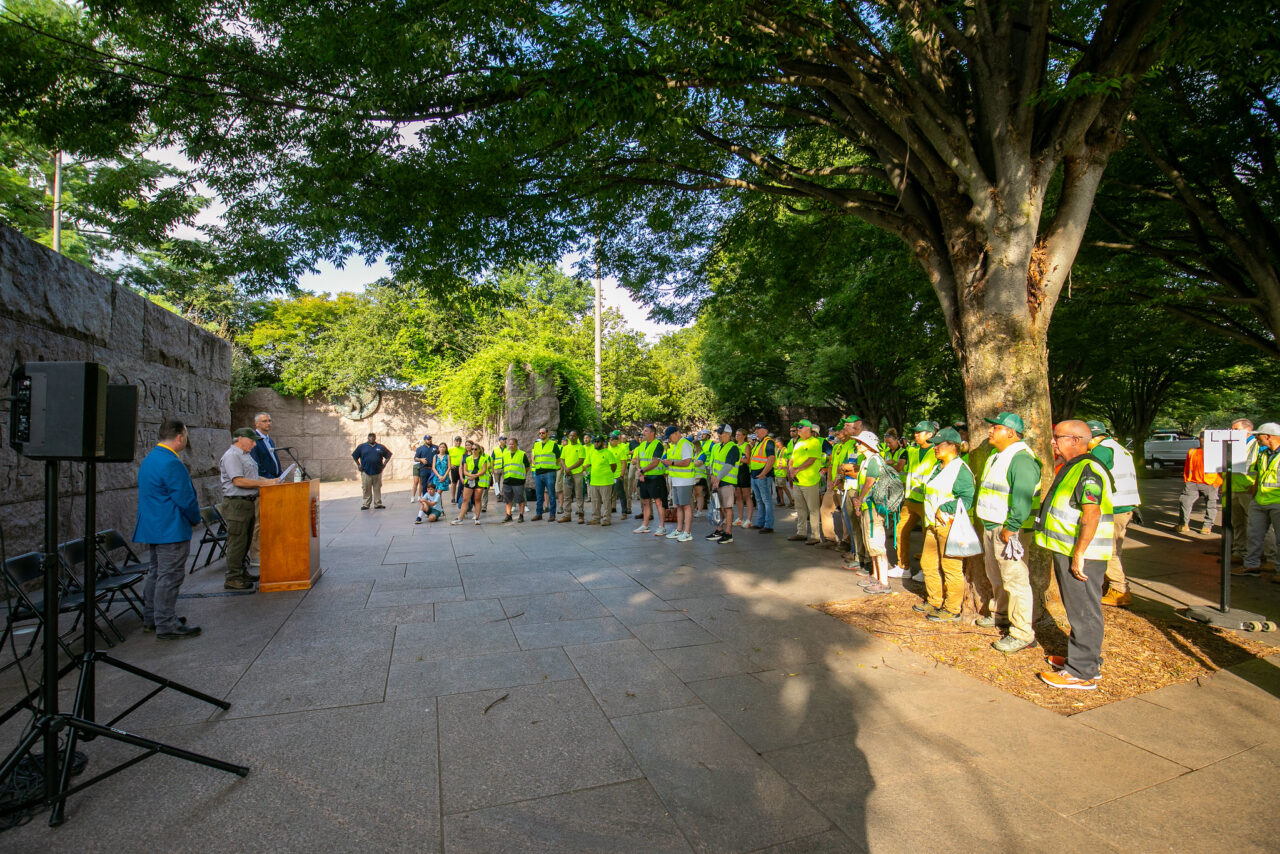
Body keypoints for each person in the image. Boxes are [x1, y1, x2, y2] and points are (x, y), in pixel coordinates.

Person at [1035, 420, 1116, 690]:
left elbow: (1091, 513)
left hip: (1082, 554)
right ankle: (1084, 659)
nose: (1052, 442)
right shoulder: (1074, 467)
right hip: (1070, 550)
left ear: (1074, 440)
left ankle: (1083, 672)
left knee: (1083, 611)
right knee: (1077, 610)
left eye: (1056, 437)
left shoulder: (1088, 470)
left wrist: (1080, 552)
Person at [975, 412, 1042, 653]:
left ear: (1011, 433)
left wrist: (1012, 527)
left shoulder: (1021, 459)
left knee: (1015, 580)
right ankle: (1000, 614)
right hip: (993, 525)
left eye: (996, 428)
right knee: (996, 575)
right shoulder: (997, 455)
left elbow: (1023, 497)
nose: (990, 431)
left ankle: (1022, 632)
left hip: (1008, 530)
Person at [133, 419, 202, 639]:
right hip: (170, 528)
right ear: (180, 436)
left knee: (156, 574)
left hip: (153, 527)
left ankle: (153, 617)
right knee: (169, 577)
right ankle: (166, 623)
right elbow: (185, 498)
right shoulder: (172, 463)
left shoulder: (150, 458)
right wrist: (195, 518)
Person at [913, 427, 974, 623]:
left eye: (939, 445)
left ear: (953, 446)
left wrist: (946, 507)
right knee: (928, 564)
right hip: (933, 524)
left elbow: (967, 499)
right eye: (934, 444)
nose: (935, 448)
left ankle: (952, 608)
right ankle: (934, 600)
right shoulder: (937, 467)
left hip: (949, 525)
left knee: (951, 568)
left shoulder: (960, 470)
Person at [1081, 421, 1141, 607]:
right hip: (1125, 506)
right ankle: (1112, 585)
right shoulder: (1118, 448)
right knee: (1115, 548)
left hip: (1115, 507)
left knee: (1109, 550)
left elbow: (1092, 472)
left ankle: (1119, 589)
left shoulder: (1102, 450)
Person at [219, 427, 280, 591]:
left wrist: (270, 481)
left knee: (245, 540)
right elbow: (238, 481)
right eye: (251, 440)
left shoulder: (244, 456)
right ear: (239, 439)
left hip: (247, 501)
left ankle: (241, 571)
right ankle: (232, 577)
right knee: (237, 541)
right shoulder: (232, 456)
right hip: (236, 503)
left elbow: (251, 478)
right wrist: (264, 483)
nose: (254, 444)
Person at [1226, 419, 1277, 572]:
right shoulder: (1232, 445)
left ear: (1247, 430)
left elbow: (1260, 468)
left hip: (1250, 491)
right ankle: (1240, 552)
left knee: (1260, 527)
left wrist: (1254, 487)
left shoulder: (1257, 446)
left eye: (1236, 429)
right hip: (1234, 488)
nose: (1232, 432)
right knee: (1238, 524)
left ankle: (1270, 557)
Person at [850, 431, 894, 594]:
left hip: (873, 507)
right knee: (871, 543)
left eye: (860, 443)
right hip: (867, 507)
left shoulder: (874, 460)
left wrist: (859, 499)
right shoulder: (868, 460)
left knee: (876, 543)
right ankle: (876, 576)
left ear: (868, 444)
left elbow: (869, 482)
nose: (857, 445)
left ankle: (883, 582)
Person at [897, 421, 939, 577]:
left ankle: (926, 571)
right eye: (914, 432)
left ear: (930, 435)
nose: (915, 435)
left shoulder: (936, 452)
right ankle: (903, 567)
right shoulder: (912, 451)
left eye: (919, 432)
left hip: (927, 502)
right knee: (901, 531)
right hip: (911, 500)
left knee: (927, 538)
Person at [1242, 422, 1280, 578]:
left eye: (1258, 436)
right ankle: (1251, 566)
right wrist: (1254, 491)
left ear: (1268, 436)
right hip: (1259, 500)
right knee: (1254, 535)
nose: (1257, 439)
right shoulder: (1263, 454)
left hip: (1277, 502)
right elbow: (1259, 474)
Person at [247, 411, 282, 573]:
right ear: (257, 424)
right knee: (259, 523)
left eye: (269, 420)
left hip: (274, 483)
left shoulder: (270, 440)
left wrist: (279, 476)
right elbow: (255, 465)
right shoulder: (255, 441)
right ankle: (255, 555)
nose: (269, 423)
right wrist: (268, 480)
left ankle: (269, 550)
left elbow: (274, 461)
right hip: (262, 486)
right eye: (265, 421)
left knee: (271, 521)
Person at [786, 420, 825, 545]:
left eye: (800, 427)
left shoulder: (814, 442)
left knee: (813, 509)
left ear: (808, 429)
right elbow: (792, 459)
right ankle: (801, 532)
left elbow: (811, 459)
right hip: (798, 481)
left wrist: (796, 470)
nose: (798, 429)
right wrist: (791, 469)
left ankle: (815, 535)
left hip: (810, 481)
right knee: (800, 508)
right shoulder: (799, 443)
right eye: (797, 428)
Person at [1178, 434, 1221, 535]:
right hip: (1192, 483)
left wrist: (1217, 482)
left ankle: (1207, 526)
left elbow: (1221, 469)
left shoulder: (1216, 453)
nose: (1204, 441)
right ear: (1199, 439)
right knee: (1184, 502)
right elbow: (1187, 467)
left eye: (1207, 439)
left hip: (1210, 483)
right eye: (1203, 438)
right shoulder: (1192, 451)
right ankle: (1183, 524)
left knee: (1211, 505)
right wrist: (1187, 480)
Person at [706, 425, 740, 544]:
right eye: (718, 433)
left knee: (727, 507)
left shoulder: (733, 448)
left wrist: (717, 479)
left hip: (727, 482)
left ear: (728, 434)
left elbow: (729, 465)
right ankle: (719, 530)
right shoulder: (715, 447)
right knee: (718, 506)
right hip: (717, 481)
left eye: (721, 433)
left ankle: (728, 533)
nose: (719, 435)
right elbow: (711, 462)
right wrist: (712, 475)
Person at [633, 425, 668, 536]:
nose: (643, 433)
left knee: (658, 502)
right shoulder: (642, 444)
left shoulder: (658, 445)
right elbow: (638, 459)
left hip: (655, 477)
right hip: (644, 477)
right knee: (645, 502)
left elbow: (655, 462)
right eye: (643, 430)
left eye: (646, 431)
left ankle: (662, 526)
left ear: (652, 433)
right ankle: (645, 525)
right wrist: (639, 472)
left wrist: (642, 471)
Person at [663, 425, 696, 542]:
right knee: (679, 506)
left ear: (676, 433)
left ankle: (687, 532)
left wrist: (670, 462)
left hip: (685, 480)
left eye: (670, 437)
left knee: (686, 505)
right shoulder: (676, 445)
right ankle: (679, 529)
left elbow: (686, 462)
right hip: (677, 480)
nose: (669, 440)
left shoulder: (685, 444)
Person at [748, 422, 777, 533]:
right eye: (755, 429)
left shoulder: (768, 442)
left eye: (758, 429)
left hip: (762, 476)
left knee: (766, 501)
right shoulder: (759, 443)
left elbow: (771, 459)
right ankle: (761, 523)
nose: (756, 431)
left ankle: (768, 525)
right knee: (760, 501)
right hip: (756, 475)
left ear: (765, 430)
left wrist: (763, 473)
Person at [585, 433, 619, 525]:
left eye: (598, 441)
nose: (596, 443)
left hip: (605, 481)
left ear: (603, 442)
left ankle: (606, 519)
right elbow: (588, 464)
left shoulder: (608, 453)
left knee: (606, 501)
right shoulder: (592, 452)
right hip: (594, 481)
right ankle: (595, 518)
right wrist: (583, 468)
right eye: (595, 442)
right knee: (595, 501)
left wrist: (607, 474)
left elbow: (614, 466)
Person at [352, 433, 392, 509]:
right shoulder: (362, 447)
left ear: (375, 438)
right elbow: (354, 456)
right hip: (366, 471)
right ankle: (366, 504)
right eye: (370, 437)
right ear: (368, 438)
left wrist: (385, 463)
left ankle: (378, 503)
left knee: (377, 488)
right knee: (366, 488)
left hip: (377, 471)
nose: (371, 439)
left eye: (373, 437)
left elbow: (388, 455)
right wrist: (359, 465)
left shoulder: (380, 447)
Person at [452, 442, 488, 525]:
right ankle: (460, 518)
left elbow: (484, 470)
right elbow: (464, 471)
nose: (473, 450)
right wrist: (470, 475)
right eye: (472, 449)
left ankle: (477, 518)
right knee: (465, 499)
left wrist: (475, 476)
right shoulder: (467, 459)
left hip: (479, 481)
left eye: (475, 449)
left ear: (479, 450)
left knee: (477, 500)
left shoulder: (483, 459)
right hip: (469, 480)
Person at [530, 427, 560, 522]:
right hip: (538, 472)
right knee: (539, 495)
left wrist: (551, 466)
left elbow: (558, 458)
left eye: (543, 433)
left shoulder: (553, 445)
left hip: (549, 472)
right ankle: (539, 514)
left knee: (551, 494)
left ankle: (552, 514)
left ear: (547, 433)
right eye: (540, 433)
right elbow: (534, 457)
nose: (541, 434)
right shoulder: (536, 445)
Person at [559, 431, 587, 523]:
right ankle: (567, 515)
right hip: (567, 474)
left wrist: (569, 468)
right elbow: (561, 459)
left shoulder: (580, 447)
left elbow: (581, 460)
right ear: (568, 437)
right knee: (567, 495)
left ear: (577, 437)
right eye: (570, 435)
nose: (572, 437)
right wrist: (565, 468)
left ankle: (580, 515)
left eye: (574, 436)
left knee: (579, 495)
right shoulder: (565, 448)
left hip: (577, 473)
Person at [501, 436, 530, 522]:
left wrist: (521, 474)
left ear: (517, 445)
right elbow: (504, 467)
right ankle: (508, 515)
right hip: (507, 480)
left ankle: (521, 516)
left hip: (518, 480)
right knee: (508, 499)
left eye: (512, 444)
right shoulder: (505, 454)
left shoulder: (522, 454)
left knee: (520, 499)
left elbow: (527, 467)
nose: (511, 446)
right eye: (509, 444)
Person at [609, 431, 631, 518]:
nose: (610, 441)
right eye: (610, 440)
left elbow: (624, 463)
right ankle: (608, 511)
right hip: (609, 476)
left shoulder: (620, 450)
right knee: (608, 495)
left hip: (618, 475)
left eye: (612, 440)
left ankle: (624, 512)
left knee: (621, 494)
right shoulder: (607, 449)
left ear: (616, 441)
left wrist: (621, 475)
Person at [413, 434, 435, 505]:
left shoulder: (435, 447)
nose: (430, 440)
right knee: (424, 484)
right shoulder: (420, 448)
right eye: (428, 439)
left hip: (433, 469)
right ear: (425, 440)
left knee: (433, 484)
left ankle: (433, 499)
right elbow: (415, 458)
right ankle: (425, 500)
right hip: (424, 469)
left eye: (430, 439)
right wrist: (421, 460)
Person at [447, 436, 466, 505]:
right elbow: (447, 458)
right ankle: (453, 498)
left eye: (459, 441)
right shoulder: (450, 449)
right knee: (454, 483)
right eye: (457, 441)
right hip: (454, 468)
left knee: (462, 482)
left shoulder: (463, 449)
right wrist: (450, 465)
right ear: (454, 441)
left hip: (462, 467)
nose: (458, 442)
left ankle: (461, 497)